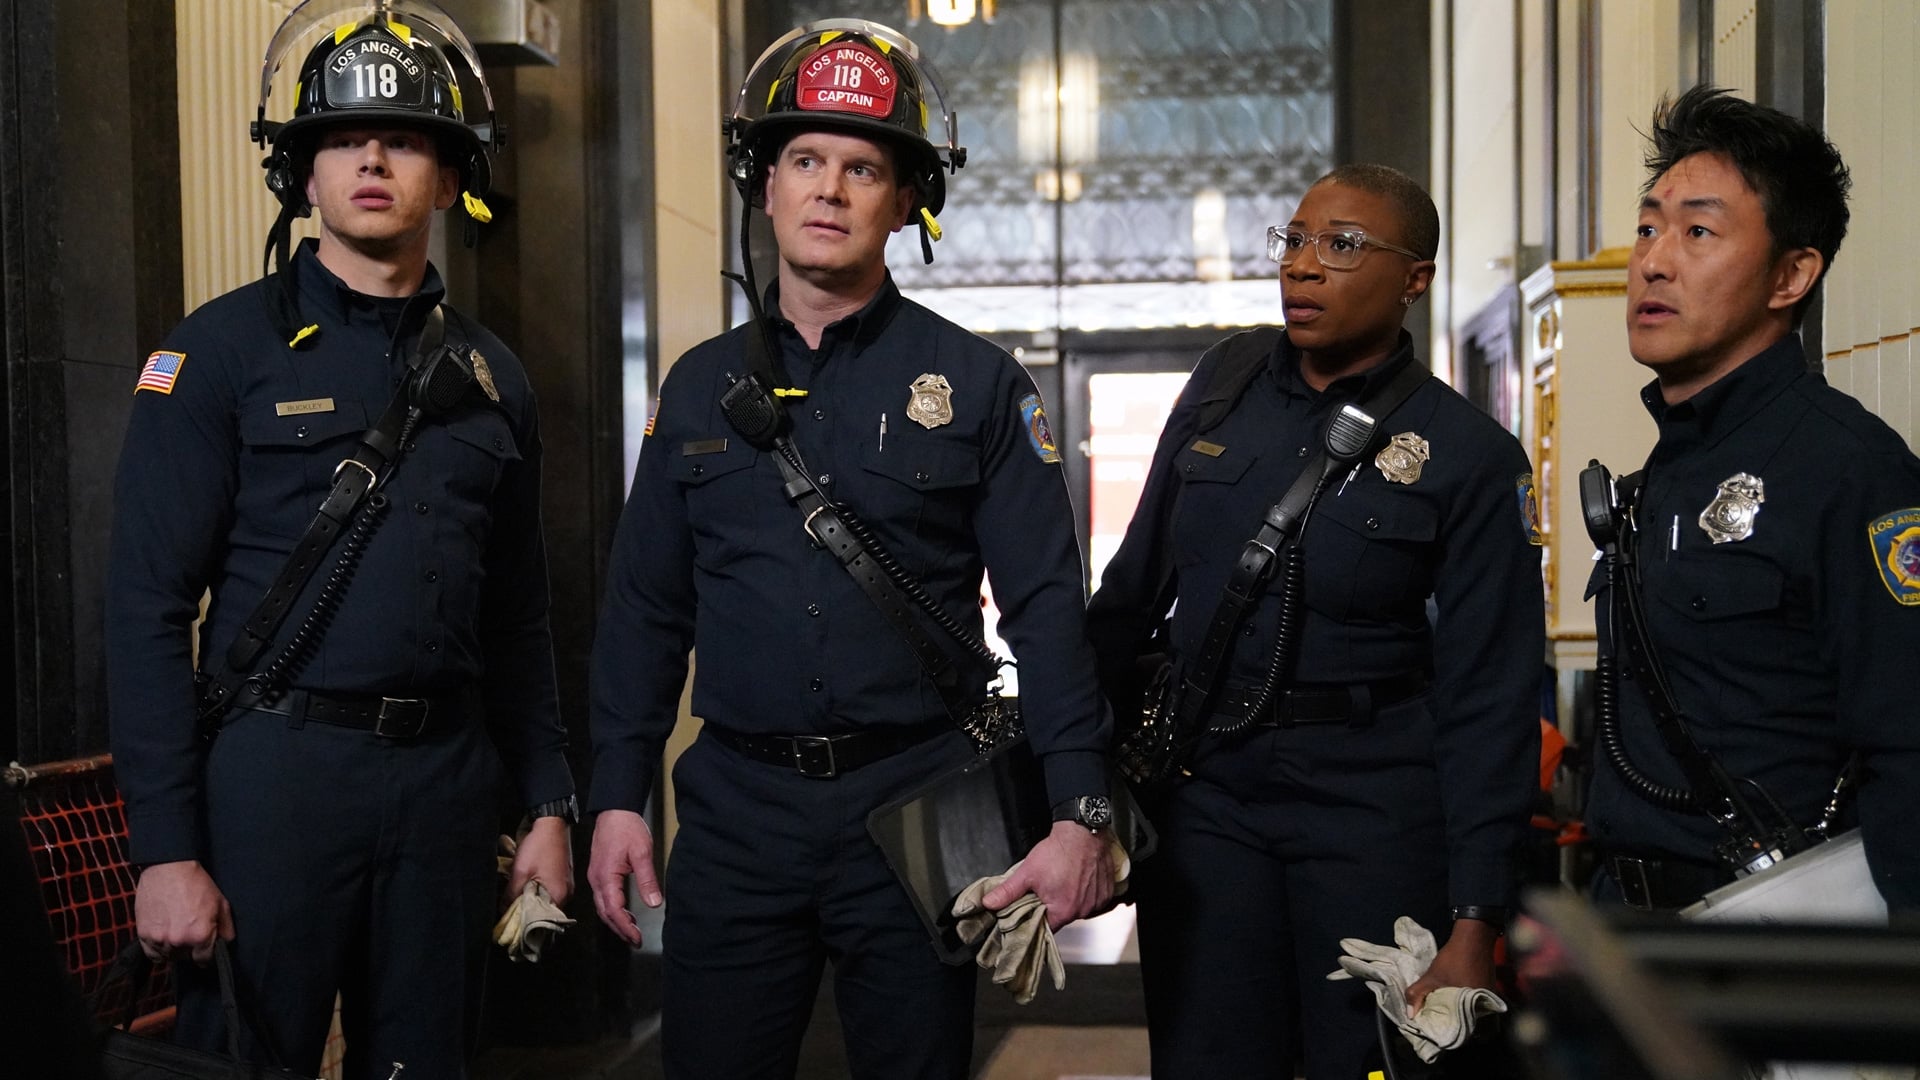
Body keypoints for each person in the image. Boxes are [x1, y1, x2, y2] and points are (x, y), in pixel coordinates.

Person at [585, 19, 1113, 1079]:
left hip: (916, 812)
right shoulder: (696, 388)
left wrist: (1080, 811)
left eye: (862, 168)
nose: (829, 189)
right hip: (735, 816)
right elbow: (645, 610)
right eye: (804, 160)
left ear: (907, 200)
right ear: (765, 185)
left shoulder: (979, 386)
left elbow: (1049, 610)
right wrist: (614, 794)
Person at [105, 4, 575, 1076]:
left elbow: (520, 617)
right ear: (302, 174)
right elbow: (145, 612)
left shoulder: (496, 377)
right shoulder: (217, 353)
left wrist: (547, 801)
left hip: (447, 784)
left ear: (449, 179)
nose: (372, 159)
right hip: (276, 778)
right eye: (344, 139)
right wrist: (165, 849)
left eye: (404, 139)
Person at [1087, 164, 1543, 1078]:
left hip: (1372, 814)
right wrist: (1072, 794)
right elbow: (1130, 592)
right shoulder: (1225, 383)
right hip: (1208, 800)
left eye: (1343, 245)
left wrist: (1476, 920)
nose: (1302, 265)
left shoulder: (1469, 456)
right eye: (1294, 240)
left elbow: (1490, 699)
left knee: (1364, 1062)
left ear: (1415, 278)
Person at [1583, 85, 1919, 914]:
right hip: (1628, 922)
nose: (1654, 261)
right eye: (1649, 228)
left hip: (1766, 936)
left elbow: (1909, 744)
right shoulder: (1670, 463)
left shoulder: (1849, 468)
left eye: (1698, 232)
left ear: (1792, 274)